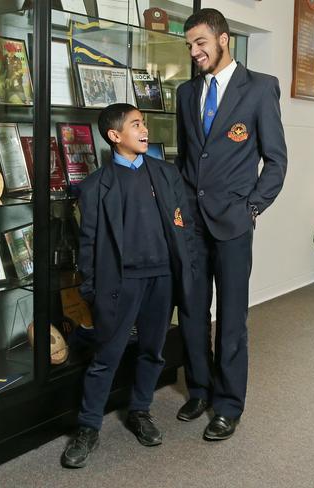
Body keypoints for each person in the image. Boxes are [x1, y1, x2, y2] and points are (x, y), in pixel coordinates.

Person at [61, 104, 196, 468]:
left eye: (144, 123)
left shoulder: (167, 175)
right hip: (121, 283)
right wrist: (91, 291)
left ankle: (140, 411)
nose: (144, 129)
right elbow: (87, 246)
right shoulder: (95, 187)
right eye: (136, 124)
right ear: (115, 136)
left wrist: (188, 271)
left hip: (162, 279)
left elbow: (185, 229)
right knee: (106, 356)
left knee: (153, 350)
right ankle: (88, 428)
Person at [174, 8, 288, 440]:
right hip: (193, 224)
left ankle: (228, 404)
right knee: (192, 309)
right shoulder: (187, 92)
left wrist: (252, 208)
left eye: (200, 42)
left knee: (233, 316)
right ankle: (199, 389)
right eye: (189, 45)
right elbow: (187, 158)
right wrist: (180, 210)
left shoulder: (259, 89)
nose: (195, 51)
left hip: (234, 222)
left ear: (224, 39)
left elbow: (276, 161)